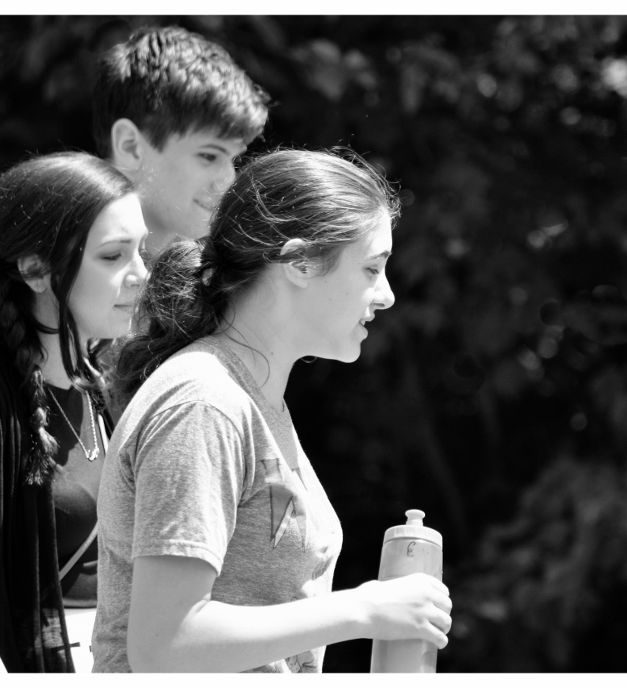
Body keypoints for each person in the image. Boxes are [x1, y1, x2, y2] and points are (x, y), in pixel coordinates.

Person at [92, 148, 452, 673]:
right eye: (372, 267)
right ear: (299, 261)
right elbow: (164, 645)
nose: (388, 295)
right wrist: (363, 608)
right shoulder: (204, 403)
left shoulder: (249, 400)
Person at [0, 152, 149, 673]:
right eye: (113, 256)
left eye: (141, 251)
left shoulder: (108, 389)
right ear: (35, 269)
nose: (140, 275)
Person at [93, 25, 270, 258]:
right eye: (209, 156)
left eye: (233, 159)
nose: (228, 182)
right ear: (130, 146)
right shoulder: (56, 265)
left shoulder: (215, 281)